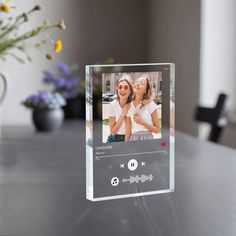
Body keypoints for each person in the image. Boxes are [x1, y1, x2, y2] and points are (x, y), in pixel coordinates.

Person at [126, 75, 160, 141]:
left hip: (147, 139)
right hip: (134, 139)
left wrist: (143, 123)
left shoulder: (150, 104)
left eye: (141, 83)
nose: (137, 84)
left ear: (145, 90)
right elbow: (128, 131)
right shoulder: (129, 106)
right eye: (136, 82)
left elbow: (157, 130)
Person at [106, 75, 133, 142]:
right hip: (113, 138)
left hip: (127, 138)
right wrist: (123, 114)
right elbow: (112, 132)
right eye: (120, 87)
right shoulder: (112, 105)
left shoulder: (131, 106)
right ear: (117, 89)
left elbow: (128, 132)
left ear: (130, 91)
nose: (122, 90)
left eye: (126, 87)